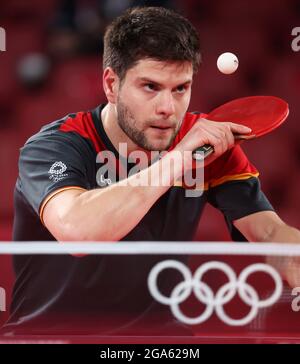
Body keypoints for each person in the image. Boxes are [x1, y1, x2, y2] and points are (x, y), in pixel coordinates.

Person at [4, 6, 300, 336]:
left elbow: (271, 234)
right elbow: (77, 231)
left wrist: (294, 259)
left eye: (180, 89)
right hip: (53, 337)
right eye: (150, 87)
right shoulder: (56, 146)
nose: (167, 108)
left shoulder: (206, 143)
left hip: (158, 341)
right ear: (111, 84)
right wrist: (178, 158)